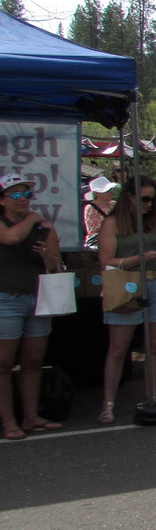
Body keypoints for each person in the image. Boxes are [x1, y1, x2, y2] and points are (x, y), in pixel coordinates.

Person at [96, 176, 156, 425]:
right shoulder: (113, 223)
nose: (149, 204)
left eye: (153, 199)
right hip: (125, 283)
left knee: (155, 346)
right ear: (129, 197)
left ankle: (152, 397)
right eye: (144, 199)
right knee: (119, 349)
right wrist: (140, 257)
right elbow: (105, 261)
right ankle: (108, 404)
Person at [0, 173, 64, 440]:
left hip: (38, 297)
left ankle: (31, 416)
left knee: (34, 360)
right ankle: (8, 421)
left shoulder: (43, 227)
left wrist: (46, 254)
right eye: (15, 195)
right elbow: (11, 238)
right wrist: (32, 219)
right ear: (2, 200)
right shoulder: (24, 222)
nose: (23, 199)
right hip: (7, 298)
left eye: (26, 194)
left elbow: (56, 265)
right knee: (4, 363)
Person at [83, 176, 118, 250]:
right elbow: (94, 229)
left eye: (110, 189)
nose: (110, 192)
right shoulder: (91, 208)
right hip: (99, 242)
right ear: (97, 194)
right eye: (106, 190)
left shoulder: (114, 205)